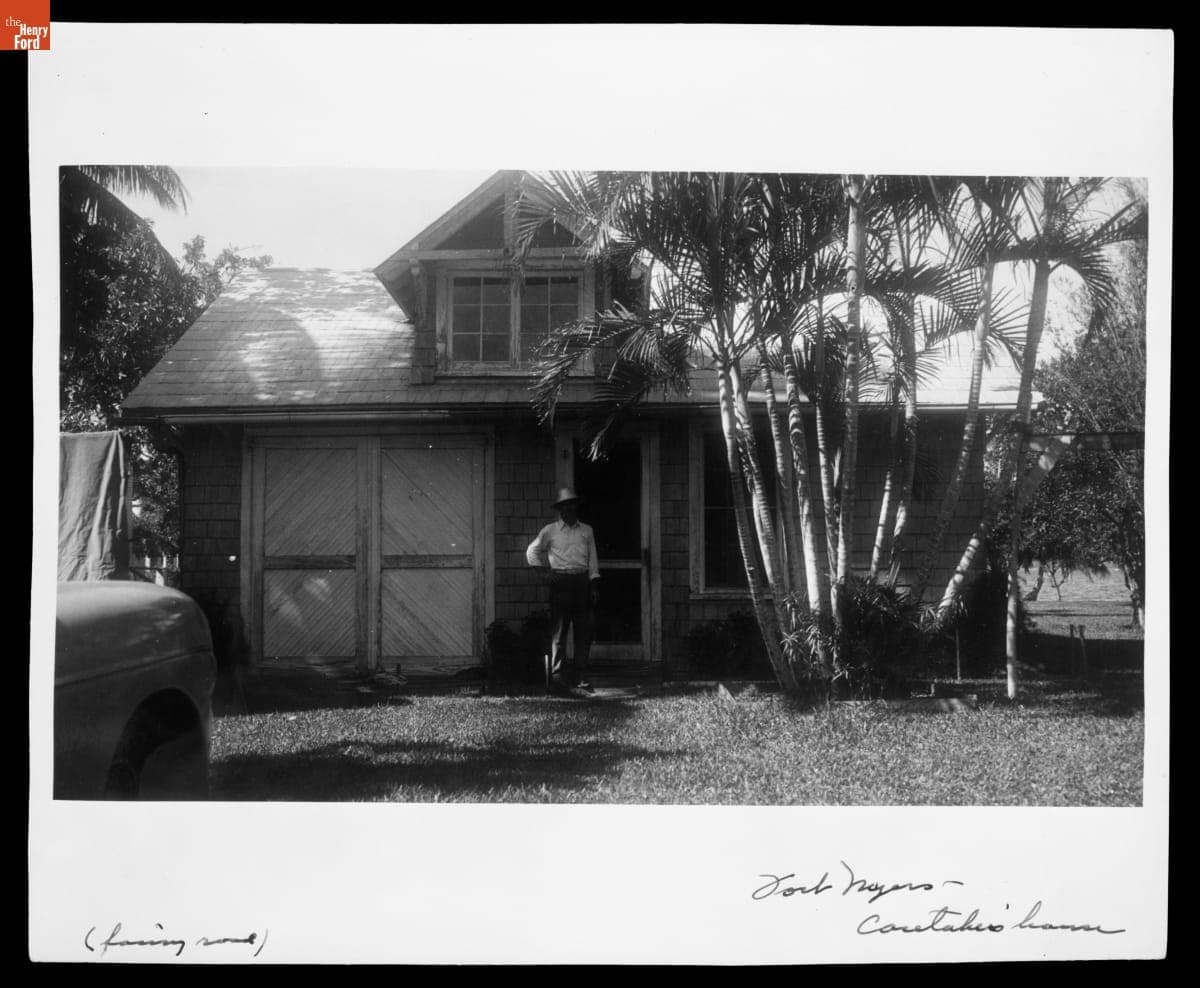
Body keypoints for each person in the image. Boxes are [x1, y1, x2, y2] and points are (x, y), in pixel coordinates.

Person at [525, 487, 601, 696]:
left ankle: (581, 677)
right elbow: (532, 551)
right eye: (564, 506)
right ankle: (557, 678)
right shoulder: (550, 531)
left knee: (582, 632)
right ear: (559, 509)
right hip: (560, 583)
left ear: (576, 507)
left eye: (572, 505)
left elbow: (592, 560)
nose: (569, 509)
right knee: (559, 633)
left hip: (581, 582)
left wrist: (593, 585)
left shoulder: (586, 530)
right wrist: (544, 574)